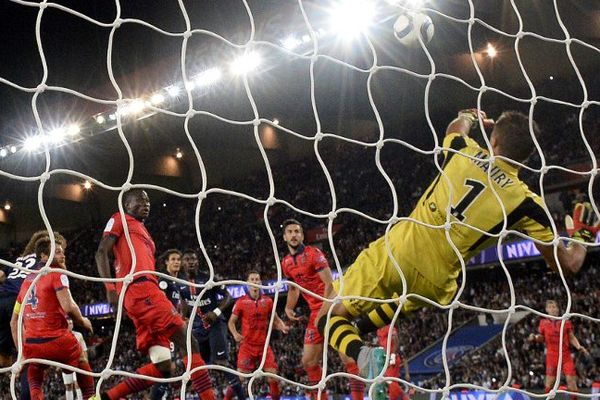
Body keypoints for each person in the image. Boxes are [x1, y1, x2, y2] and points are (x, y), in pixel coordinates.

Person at [315, 109, 597, 377]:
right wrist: (583, 237)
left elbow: (455, 128)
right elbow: (568, 264)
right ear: (528, 156)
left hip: (399, 250)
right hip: (438, 282)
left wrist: (469, 117)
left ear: (494, 140)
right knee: (392, 305)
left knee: (326, 319)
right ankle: (362, 332)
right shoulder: (527, 204)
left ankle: (363, 356)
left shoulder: (465, 151)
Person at [93, 189, 215, 400]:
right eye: (141, 200)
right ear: (127, 204)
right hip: (140, 289)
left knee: (163, 367)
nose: (146, 203)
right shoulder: (120, 218)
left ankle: (105, 398)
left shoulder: (144, 232)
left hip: (142, 293)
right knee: (189, 341)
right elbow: (101, 252)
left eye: (148, 200)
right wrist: (110, 289)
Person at [281, 219, 365, 400]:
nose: (294, 235)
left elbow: (330, 285)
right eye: (290, 232)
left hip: (333, 306)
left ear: (302, 236)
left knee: (348, 357)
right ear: (284, 237)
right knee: (308, 361)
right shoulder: (286, 262)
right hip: (316, 313)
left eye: (297, 231)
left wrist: (322, 312)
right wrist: (288, 307)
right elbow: (294, 288)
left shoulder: (314, 254)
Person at [10, 236, 95, 400]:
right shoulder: (56, 273)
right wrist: (83, 321)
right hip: (58, 341)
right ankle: (91, 396)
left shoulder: (25, 283)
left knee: (35, 370)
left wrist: (22, 352)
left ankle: (37, 396)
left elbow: (14, 321)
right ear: (43, 256)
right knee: (82, 360)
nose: (63, 256)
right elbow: (69, 307)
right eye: (57, 252)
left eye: (62, 252)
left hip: (33, 345)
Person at [1, 230, 66, 400]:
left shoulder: (18, 260)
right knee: (29, 356)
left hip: (2, 299)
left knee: (4, 361)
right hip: (19, 302)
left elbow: (1, 275)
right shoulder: (45, 258)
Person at [184, 248, 246, 400]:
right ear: (183, 264)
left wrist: (216, 312)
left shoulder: (208, 278)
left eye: (193, 259)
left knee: (221, 363)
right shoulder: (179, 282)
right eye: (187, 259)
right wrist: (183, 318)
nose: (191, 262)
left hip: (215, 325)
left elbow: (228, 296)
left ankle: (243, 397)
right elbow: (183, 303)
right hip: (197, 330)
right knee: (199, 368)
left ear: (198, 262)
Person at [228, 271, 289, 400]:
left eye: (257, 279)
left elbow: (275, 320)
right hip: (247, 346)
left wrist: (282, 326)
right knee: (240, 378)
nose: (255, 281)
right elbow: (231, 322)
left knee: (273, 377)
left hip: (263, 346)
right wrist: (235, 334)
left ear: (261, 282)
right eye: (252, 279)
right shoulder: (241, 302)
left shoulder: (268, 301)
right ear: (248, 283)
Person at [528, 300, 589, 398]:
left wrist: (578, 346)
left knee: (571, 381)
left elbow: (571, 337)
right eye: (551, 307)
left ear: (558, 309)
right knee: (549, 384)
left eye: (555, 307)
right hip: (552, 356)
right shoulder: (543, 323)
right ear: (546, 309)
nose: (553, 309)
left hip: (565, 356)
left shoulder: (566, 322)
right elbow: (542, 337)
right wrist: (534, 337)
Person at [152, 248, 188, 400]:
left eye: (178, 260)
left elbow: (181, 303)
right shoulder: (163, 281)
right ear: (166, 262)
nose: (176, 262)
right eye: (173, 259)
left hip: (171, 327)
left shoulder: (178, 282)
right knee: (164, 370)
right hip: (162, 328)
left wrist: (182, 316)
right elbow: (158, 303)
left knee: (167, 371)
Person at [377, 324, 411, 400]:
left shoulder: (390, 326)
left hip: (392, 358)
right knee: (390, 382)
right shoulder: (378, 330)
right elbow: (381, 344)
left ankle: (405, 398)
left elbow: (395, 339)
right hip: (385, 358)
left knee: (390, 381)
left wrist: (392, 355)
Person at [63, 318, 89, 400]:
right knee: (68, 385)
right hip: (66, 363)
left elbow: (84, 349)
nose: (70, 323)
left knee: (78, 383)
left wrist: (86, 362)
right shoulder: (61, 336)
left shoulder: (78, 335)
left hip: (78, 362)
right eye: (69, 322)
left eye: (71, 322)